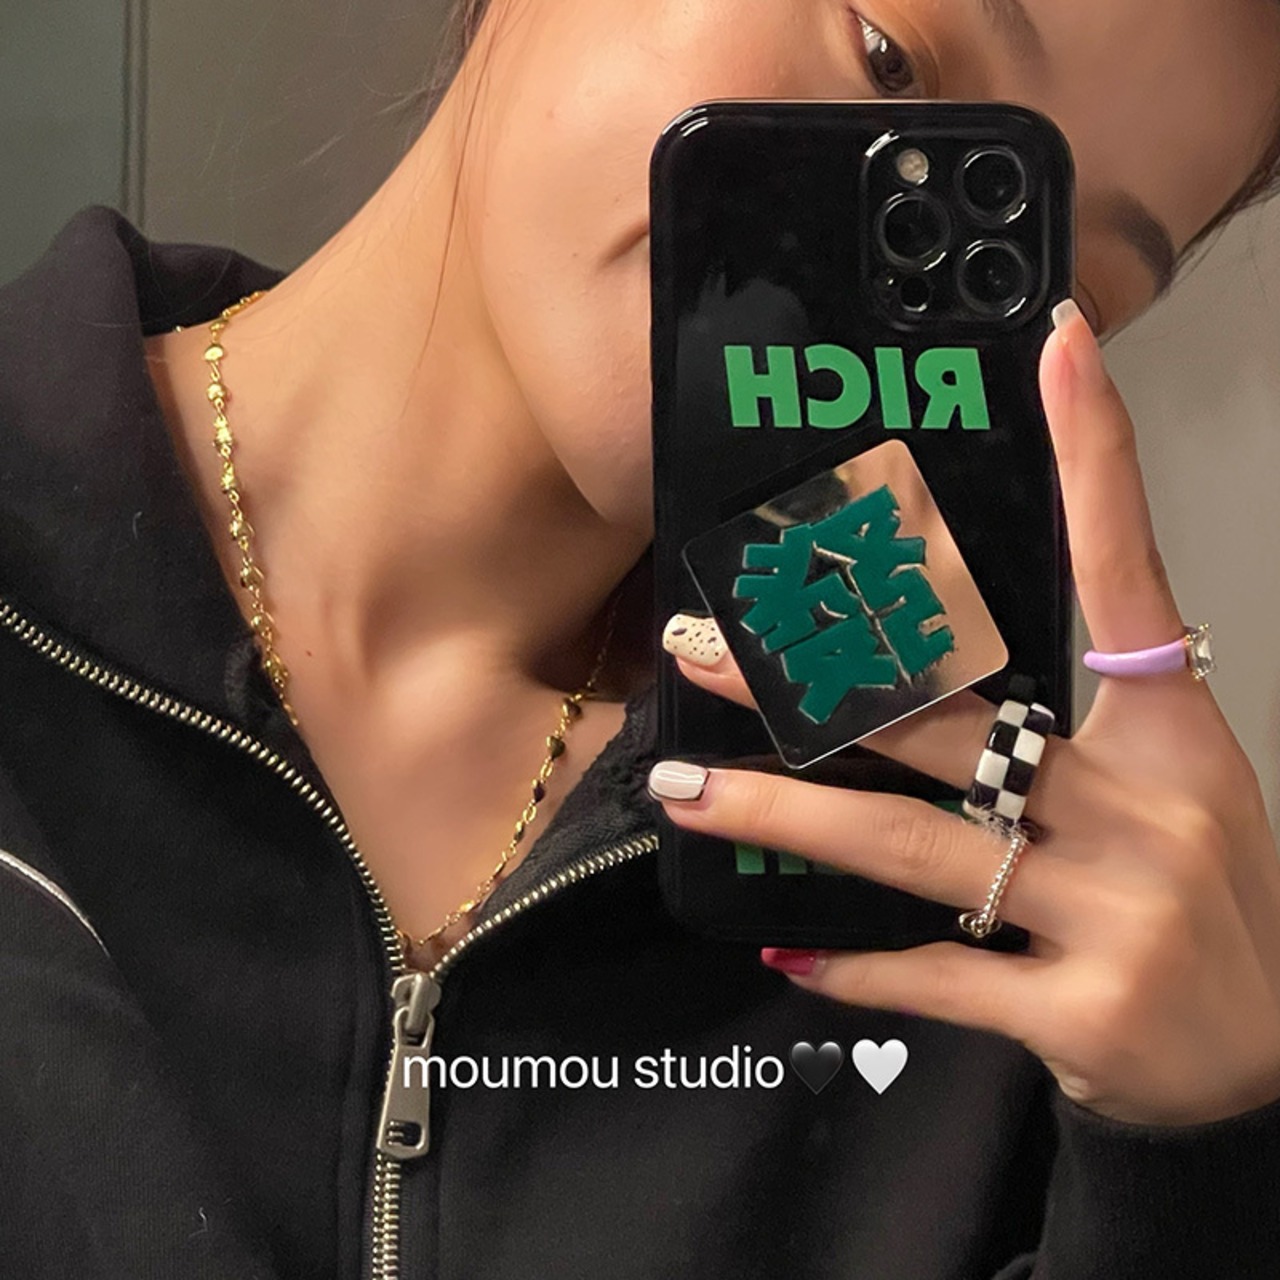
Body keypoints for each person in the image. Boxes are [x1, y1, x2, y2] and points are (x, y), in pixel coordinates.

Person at [2, 1, 1279, 1276]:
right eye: (887, 57)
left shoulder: (960, 903)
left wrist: (1191, 1172)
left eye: (1041, 275)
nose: (905, 297)